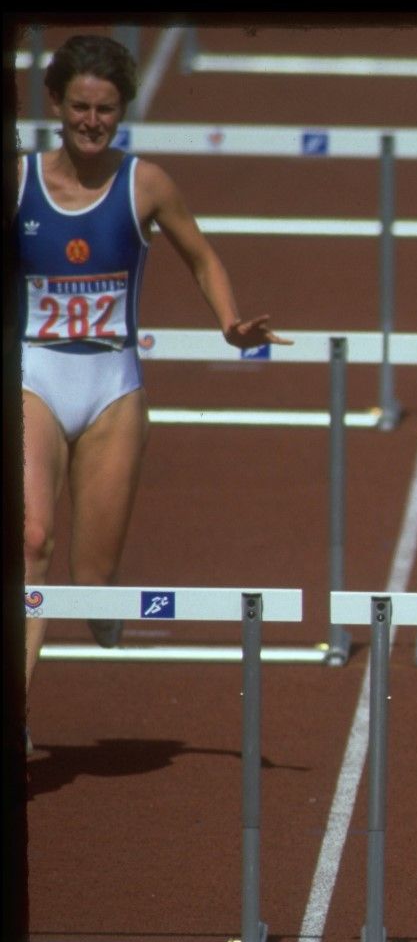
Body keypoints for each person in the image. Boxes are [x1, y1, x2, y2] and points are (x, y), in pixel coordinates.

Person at [18, 35, 290, 721]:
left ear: (122, 111)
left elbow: (200, 256)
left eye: (105, 109)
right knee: (31, 541)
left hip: (114, 384)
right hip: (34, 373)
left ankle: (102, 605)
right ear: (55, 102)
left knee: (93, 576)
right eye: (79, 106)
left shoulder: (145, 184)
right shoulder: (17, 182)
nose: (90, 121)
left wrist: (230, 324)